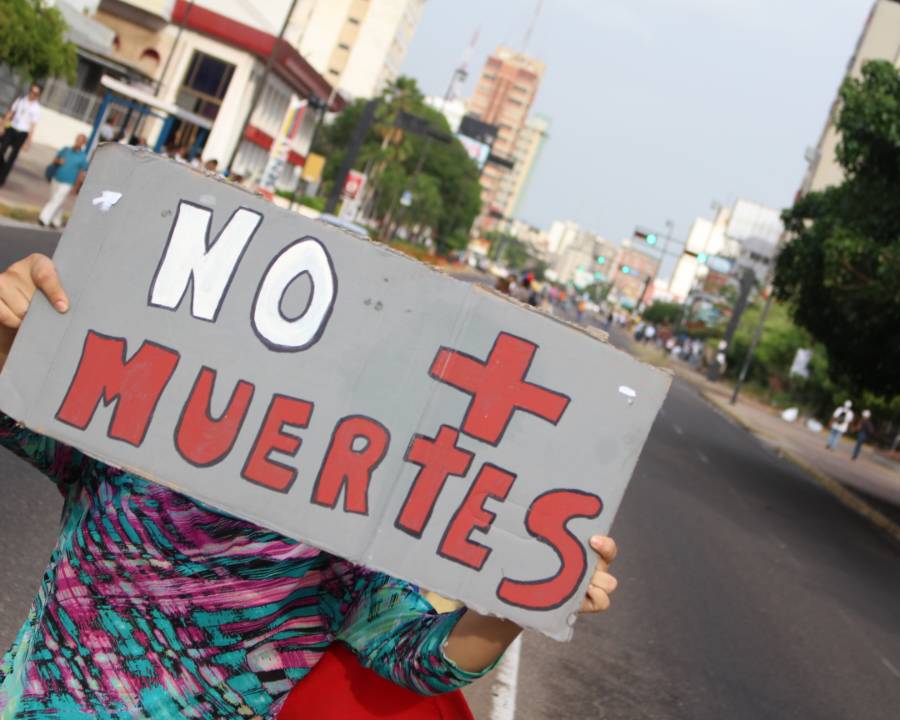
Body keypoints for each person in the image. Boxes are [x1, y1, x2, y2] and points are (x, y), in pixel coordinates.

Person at [0, 254, 621, 718]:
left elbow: (416, 654)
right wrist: (11, 320)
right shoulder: (136, 444)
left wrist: (521, 602)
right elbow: (15, 408)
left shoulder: (344, 535)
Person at [38, 133, 89, 228]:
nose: (78, 141)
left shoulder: (82, 157)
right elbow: (54, 160)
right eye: (77, 139)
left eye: (80, 140)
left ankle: (43, 219)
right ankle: (56, 221)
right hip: (56, 178)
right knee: (56, 200)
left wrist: (76, 187)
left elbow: (81, 174)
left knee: (56, 200)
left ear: (83, 143)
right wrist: (59, 161)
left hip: (68, 183)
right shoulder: (66, 150)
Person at [0, 84, 43, 187]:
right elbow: (10, 113)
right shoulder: (20, 101)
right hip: (12, 128)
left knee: (12, 157)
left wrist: (28, 142)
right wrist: (2, 126)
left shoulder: (37, 109)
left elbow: (33, 126)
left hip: (22, 133)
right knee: (2, 150)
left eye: (35, 93)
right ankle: (2, 166)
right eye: (31, 91)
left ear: (39, 95)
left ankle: (2, 179)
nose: (32, 94)